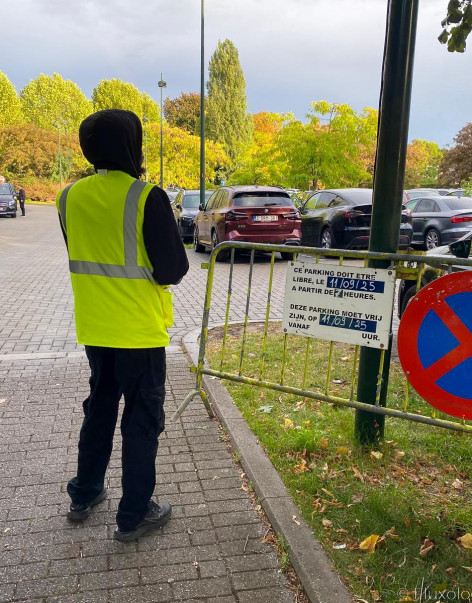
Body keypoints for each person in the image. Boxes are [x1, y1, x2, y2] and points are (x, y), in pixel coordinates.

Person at [56, 109, 189, 542]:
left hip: (95, 328)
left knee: (99, 407)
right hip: (138, 331)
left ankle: (85, 493)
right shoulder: (146, 196)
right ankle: (133, 515)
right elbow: (172, 269)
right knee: (142, 418)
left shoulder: (68, 197)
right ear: (132, 144)